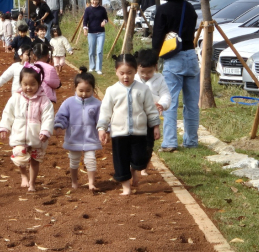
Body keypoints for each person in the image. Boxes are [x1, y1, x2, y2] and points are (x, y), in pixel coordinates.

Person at [97, 54, 160, 195]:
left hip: (139, 132)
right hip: (119, 133)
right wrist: (102, 128)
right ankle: (126, 188)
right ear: (116, 72)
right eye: (122, 73)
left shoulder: (143, 89)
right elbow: (105, 111)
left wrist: (155, 126)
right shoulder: (112, 91)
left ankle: (134, 170)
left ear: (135, 72)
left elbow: (150, 109)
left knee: (139, 158)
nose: (126, 77)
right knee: (121, 160)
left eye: (129, 73)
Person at [152, 0, 199, 152]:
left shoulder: (163, 10)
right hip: (191, 56)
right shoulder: (189, 8)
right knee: (191, 103)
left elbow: (157, 38)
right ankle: (191, 141)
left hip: (174, 59)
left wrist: (154, 59)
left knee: (170, 101)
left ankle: (170, 142)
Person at [0, 64, 55, 191]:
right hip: (19, 135)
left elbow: (48, 117)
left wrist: (46, 131)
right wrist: (4, 127)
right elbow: (8, 113)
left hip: (37, 137)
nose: (28, 87)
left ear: (39, 84)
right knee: (20, 158)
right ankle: (24, 175)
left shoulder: (44, 100)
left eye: (32, 84)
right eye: (25, 84)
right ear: (20, 83)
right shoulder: (15, 98)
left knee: (35, 160)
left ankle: (32, 183)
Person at [54, 67, 101, 190]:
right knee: (74, 161)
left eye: (88, 91)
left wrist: (105, 130)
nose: (84, 94)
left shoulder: (97, 104)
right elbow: (62, 116)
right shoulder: (69, 102)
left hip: (90, 138)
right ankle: (74, 182)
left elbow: (102, 120)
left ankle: (91, 183)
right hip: (74, 138)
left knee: (91, 160)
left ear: (93, 90)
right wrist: (59, 125)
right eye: (81, 91)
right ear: (75, 88)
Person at [134, 49, 171, 175]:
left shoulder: (159, 79)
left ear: (155, 67)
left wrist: (162, 104)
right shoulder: (133, 79)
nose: (145, 75)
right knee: (135, 142)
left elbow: (166, 94)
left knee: (148, 144)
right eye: (142, 72)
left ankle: (145, 166)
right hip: (135, 117)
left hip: (151, 117)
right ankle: (133, 163)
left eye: (149, 72)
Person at [82, 0, 109, 75]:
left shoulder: (102, 9)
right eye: (93, 0)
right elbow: (85, 21)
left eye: (96, 0)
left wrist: (104, 21)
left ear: (98, 0)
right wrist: (85, 29)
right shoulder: (88, 10)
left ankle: (98, 68)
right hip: (91, 33)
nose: (94, 1)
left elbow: (106, 18)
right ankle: (92, 66)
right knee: (91, 51)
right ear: (90, 0)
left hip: (101, 32)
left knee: (99, 51)